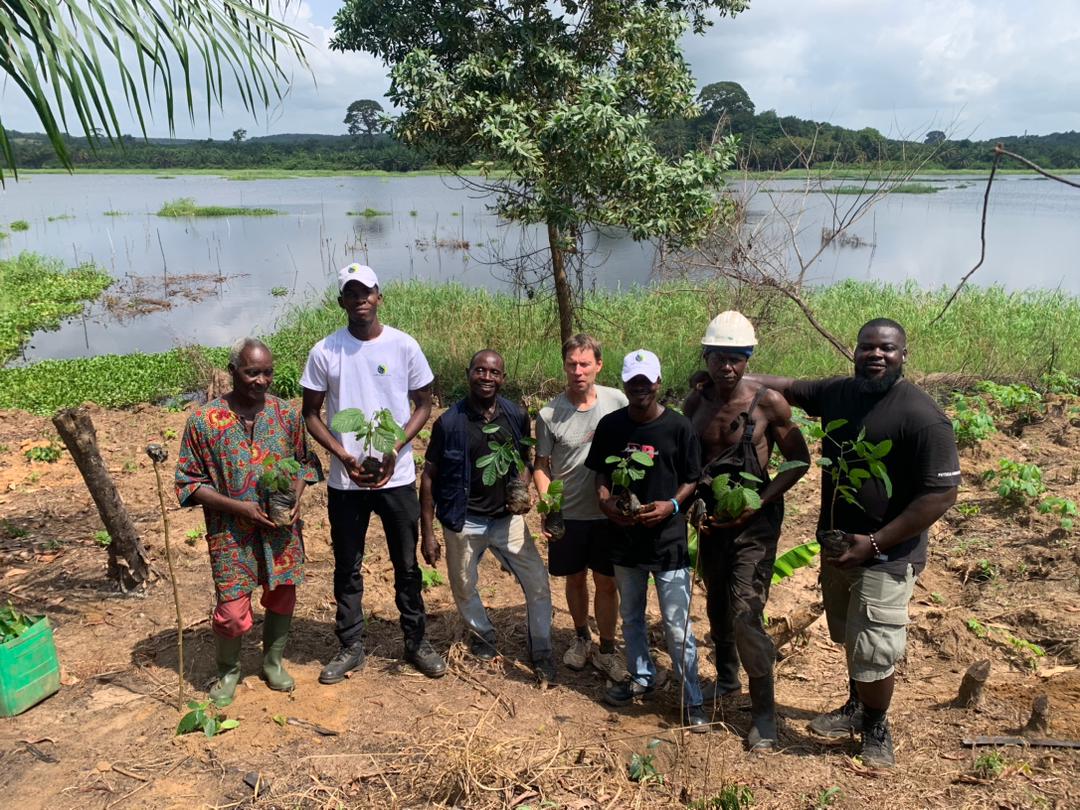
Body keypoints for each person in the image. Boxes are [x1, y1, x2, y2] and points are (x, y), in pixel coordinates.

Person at [749, 318, 960, 767]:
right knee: (851, 635)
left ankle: (877, 726)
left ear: (904, 355)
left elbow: (941, 494)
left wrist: (877, 542)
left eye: (887, 349)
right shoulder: (839, 393)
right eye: (867, 347)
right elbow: (783, 384)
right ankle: (855, 705)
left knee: (875, 646)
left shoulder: (922, 417)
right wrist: (728, 372)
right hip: (837, 546)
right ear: (855, 351)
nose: (876, 355)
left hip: (887, 553)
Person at [300, 263, 447, 683]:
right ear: (341, 301)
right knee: (347, 563)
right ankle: (350, 645)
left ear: (379, 295)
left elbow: (424, 403)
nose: (360, 299)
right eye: (351, 292)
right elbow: (311, 414)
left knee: (406, 563)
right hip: (346, 481)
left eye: (366, 291)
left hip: (396, 476)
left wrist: (395, 447)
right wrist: (344, 455)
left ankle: (416, 640)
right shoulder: (325, 351)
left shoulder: (403, 346)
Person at [684, 311, 810, 750]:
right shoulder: (697, 402)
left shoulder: (768, 402)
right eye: (719, 357)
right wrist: (694, 499)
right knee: (716, 602)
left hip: (754, 524)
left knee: (746, 612)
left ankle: (764, 715)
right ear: (707, 357)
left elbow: (799, 461)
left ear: (748, 359)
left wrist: (760, 502)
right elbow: (688, 460)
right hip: (713, 521)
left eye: (736, 358)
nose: (726, 367)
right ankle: (726, 679)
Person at [176, 338, 323, 707]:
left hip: (280, 529)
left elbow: (307, 463)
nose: (261, 380)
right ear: (232, 373)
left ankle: (272, 662)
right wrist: (238, 507)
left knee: (282, 594)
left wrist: (296, 497)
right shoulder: (205, 420)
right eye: (251, 372)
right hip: (231, 533)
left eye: (267, 372)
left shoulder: (286, 415)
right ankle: (228, 670)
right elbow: (189, 483)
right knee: (232, 612)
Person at [585, 349, 708, 731]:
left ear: (658, 383)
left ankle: (693, 698)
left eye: (646, 381)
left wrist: (671, 505)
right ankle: (642, 678)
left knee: (677, 625)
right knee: (632, 616)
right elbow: (602, 474)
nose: (640, 388)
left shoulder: (679, 427)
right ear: (625, 384)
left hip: (668, 541)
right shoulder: (611, 426)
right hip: (625, 539)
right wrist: (605, 503)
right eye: (633, 381)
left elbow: (692, 477)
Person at [419, 349, 557, 685]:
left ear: (503, 378)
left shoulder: (515, 416)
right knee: (464, 586)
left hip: (506, 520)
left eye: (493, 372)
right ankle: (483, 637)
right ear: (469, 373)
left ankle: (541, 649)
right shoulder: (449, 422)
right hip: (464, 520)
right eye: (480, 371)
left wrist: (521, 490)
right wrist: (428, 532)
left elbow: (525, 462)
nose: (486, 377)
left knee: (538, 583)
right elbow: (429, 477)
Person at [534, 334, 629, 681]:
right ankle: (580, 638)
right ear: (564, 366)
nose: (578, 371)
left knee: (606, 582)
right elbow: (542, 465)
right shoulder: (549, 413)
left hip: (607, 513)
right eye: (572, 364)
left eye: (585, 363)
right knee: (574, 580)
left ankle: (606, 648)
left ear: (598, 365)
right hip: (569, 513)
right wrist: (549, 504)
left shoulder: (617, 401)